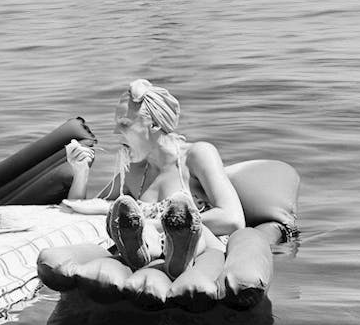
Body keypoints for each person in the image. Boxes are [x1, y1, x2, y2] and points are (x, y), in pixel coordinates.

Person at [61, 78, 245, 278]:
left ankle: (172, 251)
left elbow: (233, 219)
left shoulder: (196, 156)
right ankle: (143, 253)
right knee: (146, 236)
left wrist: (151, 225)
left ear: (155, 124)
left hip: (204, 249)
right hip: (155, 251)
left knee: (188, 233)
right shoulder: (134, 171)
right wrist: (81, 171)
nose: (115, 132)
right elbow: (82, 207)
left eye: (124, 124)